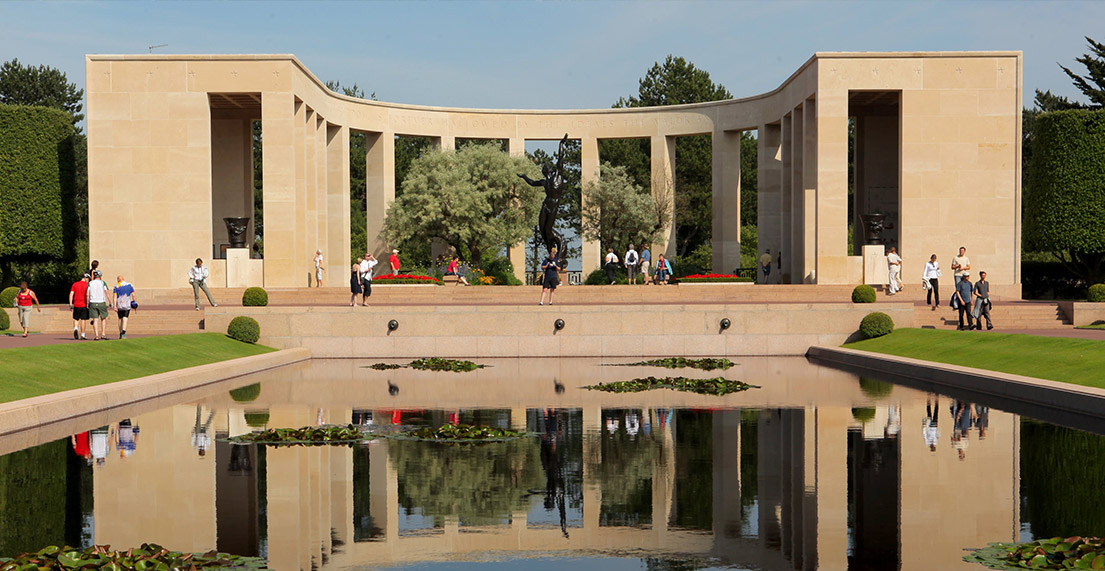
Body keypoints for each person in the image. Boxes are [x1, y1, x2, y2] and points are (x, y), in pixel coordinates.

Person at [87, 271, 111, 341]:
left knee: (95, 319)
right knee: (103, 318)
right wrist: (110, 302)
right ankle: (103, 334)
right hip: (101, 301)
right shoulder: (103, 282)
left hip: (93, 302)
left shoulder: (90, 283)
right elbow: (107, 293)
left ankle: (96, 335)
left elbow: (87, 294)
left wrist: (88, 302)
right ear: (100, 276)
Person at [113, 275, 137, 339]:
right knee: (125, 317)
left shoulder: (116, 286)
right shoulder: (129, 285)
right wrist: (134, 302)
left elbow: (115, 297)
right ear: (123, 279)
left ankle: (120, 332)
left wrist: (115, 305)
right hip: (127, 304)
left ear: (118, 280)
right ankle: (123, 332)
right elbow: (133, 295)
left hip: (120, 304)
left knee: (120, 318)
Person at [69, 273, 90, 340]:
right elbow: (87, 295)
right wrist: (88, 303)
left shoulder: (75, 284)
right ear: (86, 278)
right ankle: (83, 334)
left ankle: (75, 328)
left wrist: (70, 304)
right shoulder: (87, 285)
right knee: (83, 320)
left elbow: (71, 294)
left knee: (76, 318)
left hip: (76, 304)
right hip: (84, 305)